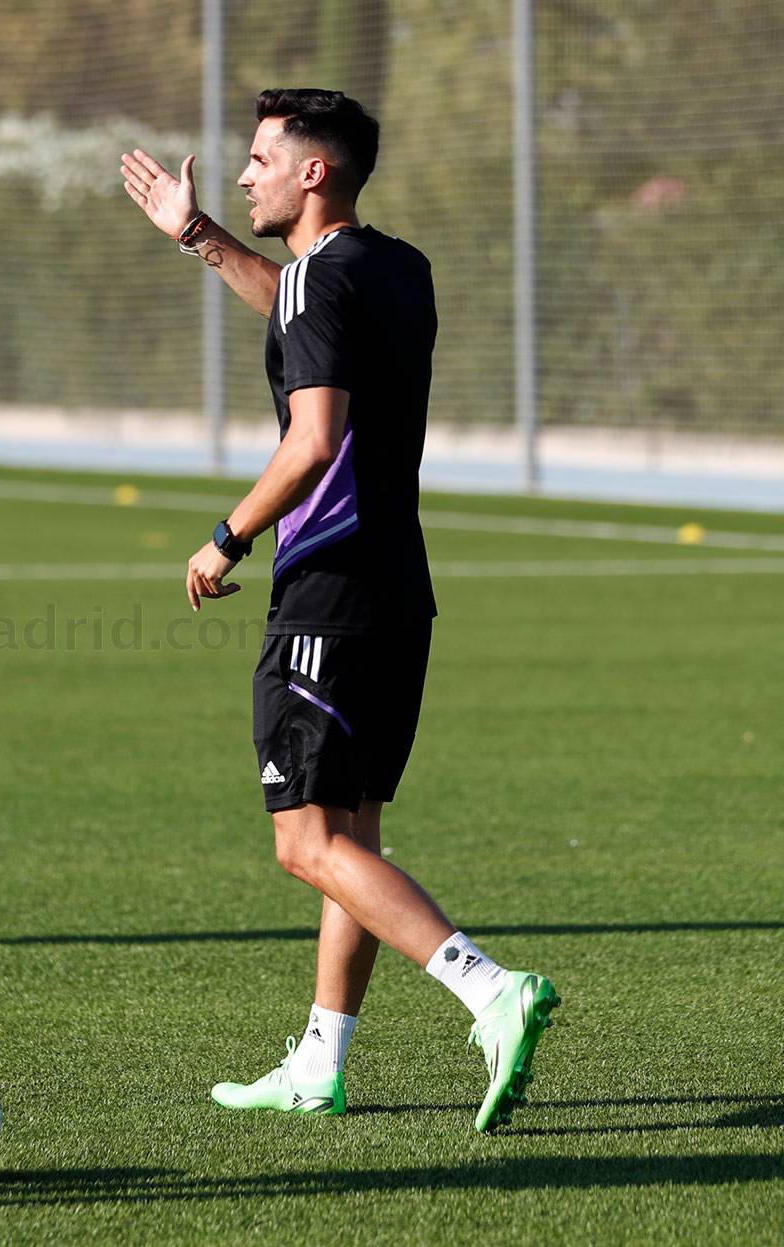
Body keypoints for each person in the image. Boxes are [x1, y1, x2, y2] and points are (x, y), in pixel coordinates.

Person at [121, 89, 559, 1132]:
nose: (243, 175)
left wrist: (225, 535)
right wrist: (198, 236)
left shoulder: (324, 281)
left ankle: (489, 988)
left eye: (262, 157)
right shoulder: (394, 267)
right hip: (399, 590)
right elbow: (298, 307)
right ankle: (321, 1061)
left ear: (314, 171)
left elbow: (313, 436)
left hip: (327, 585)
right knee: (353, 833)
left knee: (305, 838)